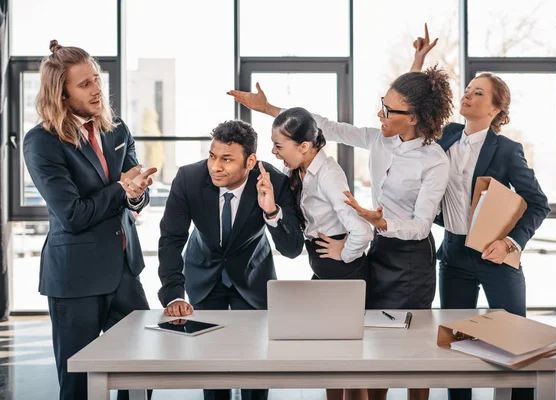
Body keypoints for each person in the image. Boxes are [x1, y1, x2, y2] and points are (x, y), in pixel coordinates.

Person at [228, 61, 454, 400]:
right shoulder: (380, 139)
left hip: (410, 262)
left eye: (388, 110)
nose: (380, 114)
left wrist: (381, 224)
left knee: (410, 358)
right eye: (382, 103)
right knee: (376, 356)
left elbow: (422, 225)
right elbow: (324, 127)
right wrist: (268, 108)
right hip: (375, 253)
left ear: (414, 117)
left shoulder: (435, 161)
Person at [412, 28, 551, 400]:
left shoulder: (507, 150)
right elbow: (413, 110)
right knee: (459, 350)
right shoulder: (445, 139)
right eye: (468, 89)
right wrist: (420, 62)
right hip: (453, 256)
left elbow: (539, 203)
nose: (468, 95)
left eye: (478, 93)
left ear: (495, 109)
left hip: (496, 257)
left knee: (516, 351)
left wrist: (509, 242)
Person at [23, 41, 155, 400]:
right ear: (61, 94)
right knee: (78, 383)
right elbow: (73, 215)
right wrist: (121, 189)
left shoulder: (118, 129)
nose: (97, 90)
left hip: (125, 272)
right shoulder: (41, 143)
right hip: (74, 278)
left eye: (96, 79)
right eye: (84, 84)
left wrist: (136, 191)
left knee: (140, 374)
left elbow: (135, 195)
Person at [157, 119, 304, 400]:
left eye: (226, 159)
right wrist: (174, 293)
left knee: (255, 366)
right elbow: (171, 239)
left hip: (253, 275)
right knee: (212, 367)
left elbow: (293, 249)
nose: (216, 166)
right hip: (203, 273)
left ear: (250, 162)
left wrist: (271, 211)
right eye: (212, 156)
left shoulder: (273, 180)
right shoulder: (188, 178)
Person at [271, 107, 373, 400]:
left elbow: (362, 231)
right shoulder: (300, 169)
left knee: (350, 363)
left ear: (304, 146)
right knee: (330, 359)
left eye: (279, 146)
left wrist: (344, 252)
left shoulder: (329, 174)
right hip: (324, 269)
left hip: (344, 273)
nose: (274, 152)